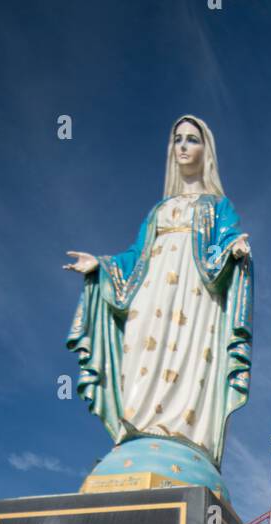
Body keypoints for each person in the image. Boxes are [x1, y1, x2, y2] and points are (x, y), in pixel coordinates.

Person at [65, 115, 252, 476]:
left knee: (189, 355)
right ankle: (139, 429)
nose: (183, 146)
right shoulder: (159, 211)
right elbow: (136, 258)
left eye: (192, 139)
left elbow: (228, 240)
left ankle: (183, 433)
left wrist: (234, 251)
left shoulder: (217, 206)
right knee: (141, 356)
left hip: (196, 296)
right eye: (177, 140)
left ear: (206, 150)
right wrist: (100, 266)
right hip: (151, 297)